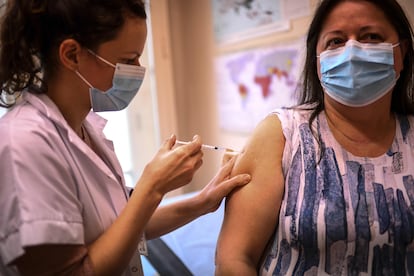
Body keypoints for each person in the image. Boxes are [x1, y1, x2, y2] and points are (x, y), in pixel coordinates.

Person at [0, 1, 251, 275]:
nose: (138, 70)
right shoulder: (24, 145)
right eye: (128, 59)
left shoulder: (86, 129)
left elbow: (124, 224)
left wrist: (203, 201)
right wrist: (151, 187)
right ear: (71, 54)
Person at [215, 0, 414, 275]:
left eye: (371, 36)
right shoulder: (281, 135)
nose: (352, 50)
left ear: (401, 52)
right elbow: (233, 260)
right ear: (317, 62)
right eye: (335, 41)